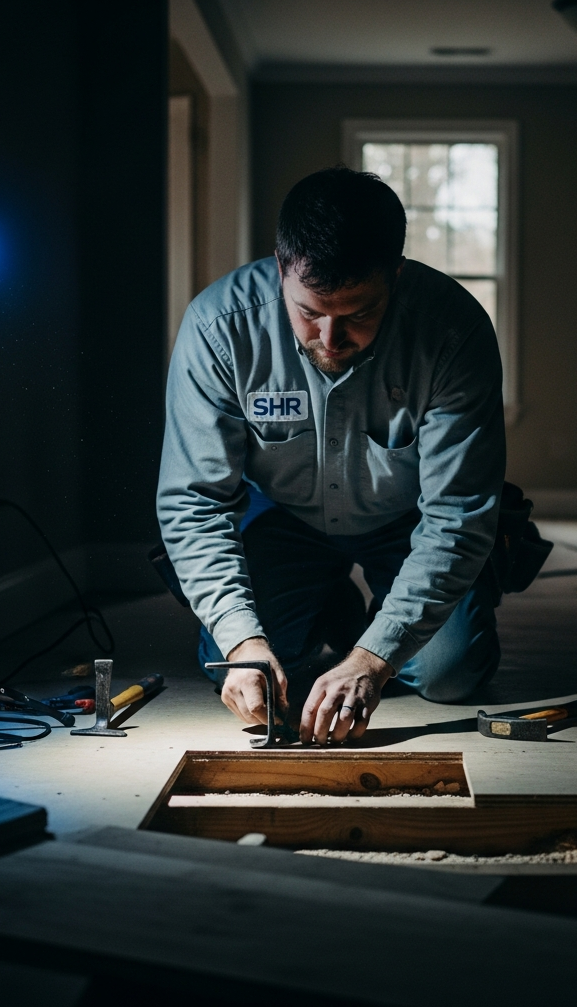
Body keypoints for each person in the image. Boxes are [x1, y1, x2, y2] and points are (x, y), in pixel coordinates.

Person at [157, 166, 505, 744]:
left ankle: (375, 622)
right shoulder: (217, 328)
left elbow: (457, 514)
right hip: (282, 517)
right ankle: (329, 603)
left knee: (449, 672)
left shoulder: (453, 332)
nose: (330, 338)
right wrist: (243, 639)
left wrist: (373, 658)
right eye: (309, 311)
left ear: (394, 273)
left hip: (408, 520)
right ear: (279, 265)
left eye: (359, 314)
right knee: (244, 668)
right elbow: (194, 502)